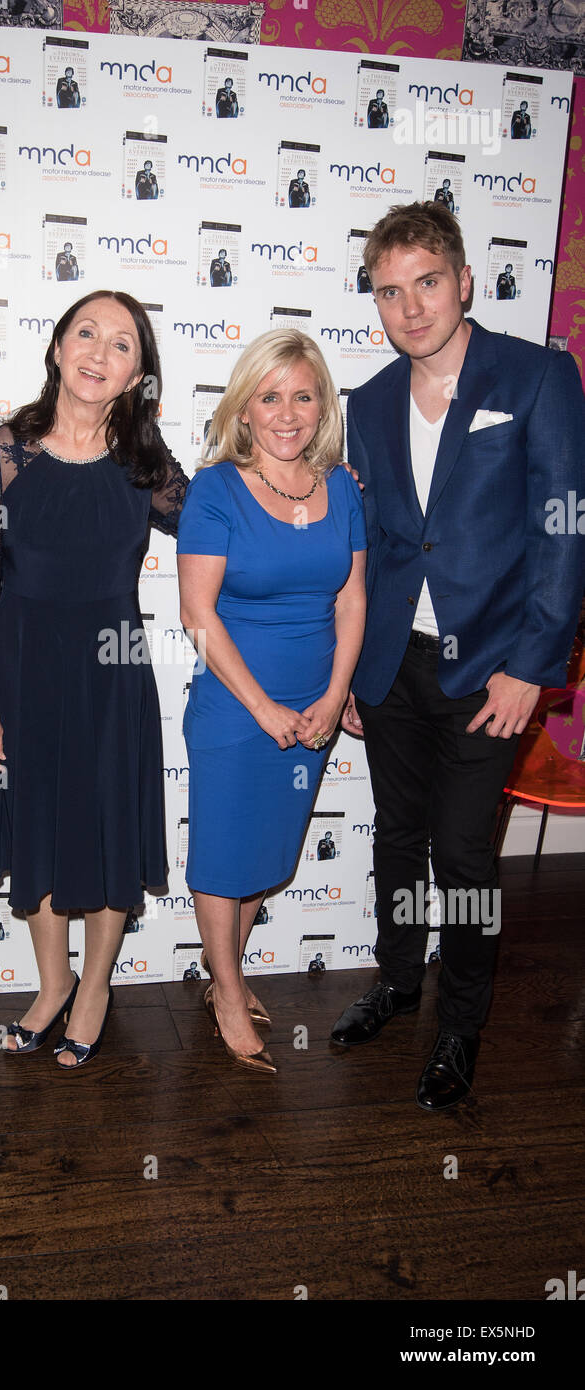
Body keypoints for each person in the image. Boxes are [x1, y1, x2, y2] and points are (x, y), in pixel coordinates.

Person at [333, 201, 585, 1109]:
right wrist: (353, 666)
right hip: (393, 662)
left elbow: (564, 531)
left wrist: (531, 665)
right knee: (397, 839)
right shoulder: (364, 402)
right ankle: (399, 982)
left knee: (462, 855)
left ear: (465, 280)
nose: (408, 309)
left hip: (491, 669)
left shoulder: (537, 377)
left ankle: (460, 1024)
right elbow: (368, 548)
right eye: (389, 292)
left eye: (425, 284)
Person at [0, 290, 188, 1068]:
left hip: (110, 677)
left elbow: (220, 528)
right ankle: (50, 983)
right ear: (57, 347)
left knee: (105, 824)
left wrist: (313, 491)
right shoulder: (4, 453)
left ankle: (94, 987)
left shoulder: (143, 462)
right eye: (85, 334)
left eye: (121, 344)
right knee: (39, 826)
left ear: (136, 373)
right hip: (22, 672)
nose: (99, 352)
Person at [177, 329, 367, 1074]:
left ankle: (226, 973)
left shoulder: (341, 487)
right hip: (235, 707)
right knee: (223, 856)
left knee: (267, 855)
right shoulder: (216, 488)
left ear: (320, 407)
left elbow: (351, 601)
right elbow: (198, 615)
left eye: (302, 395)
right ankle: (225, 989)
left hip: (312, 704)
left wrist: (333, 693)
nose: (286, 412)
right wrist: (260, 708)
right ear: (244, 409)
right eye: (269, 396)